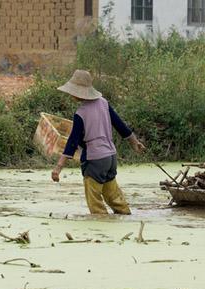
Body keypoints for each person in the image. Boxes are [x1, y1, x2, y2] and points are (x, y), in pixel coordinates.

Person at [51, 70, 145, 214]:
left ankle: (101, 228)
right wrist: (134, 142)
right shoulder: (103, 103)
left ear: (78, 92)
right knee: (114, 198)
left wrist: (58, 167)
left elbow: (72, 143)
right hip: (110, 158)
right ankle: (125, 217)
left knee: (96, 205)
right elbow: (120, 125)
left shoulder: (80, 114)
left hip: (94, 161)